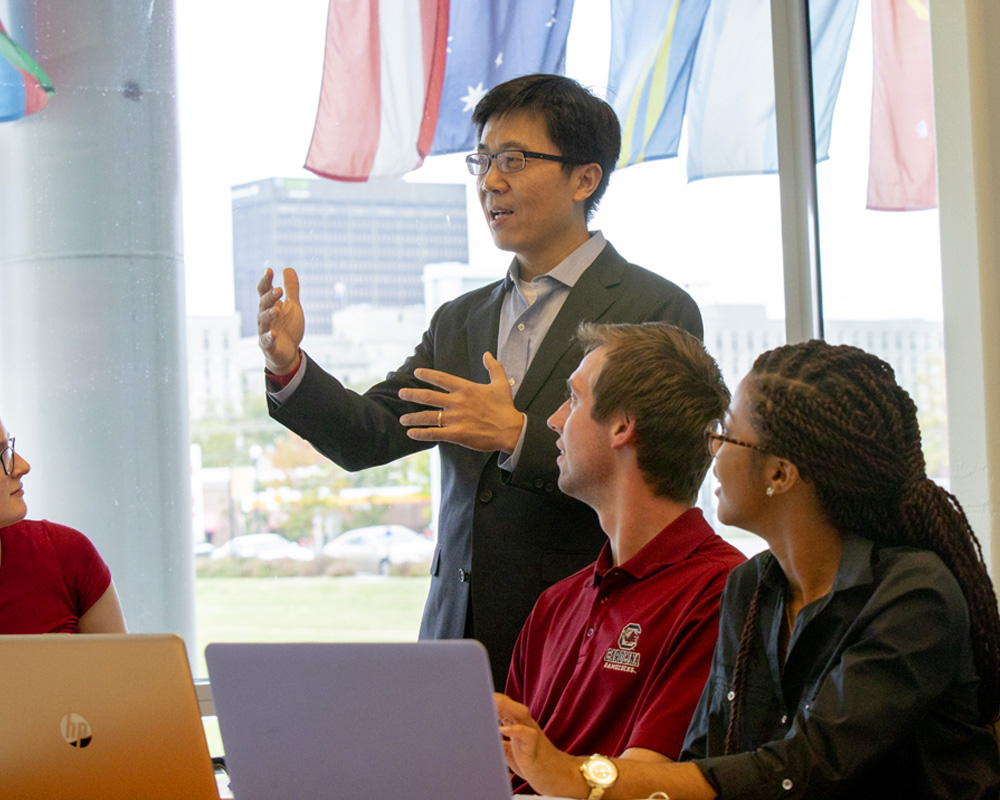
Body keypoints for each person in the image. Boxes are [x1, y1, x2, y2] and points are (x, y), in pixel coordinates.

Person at [256, 74, 702, 687]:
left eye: (513, 161)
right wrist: (288, 366)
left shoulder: (656, 310)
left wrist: (517, 435)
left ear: (585, 178)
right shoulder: (460, 319)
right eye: (483, 161)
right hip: (452, 639)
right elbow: (371, 435)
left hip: (582, 638)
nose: (490, 181)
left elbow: (663, 476)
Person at [496, 340, 1000, 800]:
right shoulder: (754, 588)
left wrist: (579, 778)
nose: (712, 452)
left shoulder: (914, 596)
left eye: (729, 437)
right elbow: (707, 760)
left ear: (779, 474)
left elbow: (802, 771)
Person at [505, 322, 745, 794]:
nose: (554, 420)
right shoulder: (556, 604)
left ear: (621, 426)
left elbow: (654, 783)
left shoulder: (722, 592)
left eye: (572, 400)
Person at [0, 420, 127, 633]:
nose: (23, 467)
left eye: (8, 450)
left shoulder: (65, 553)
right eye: (2, 457)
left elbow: (121, 665)